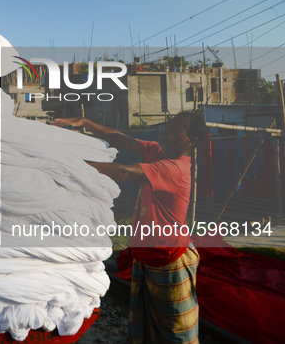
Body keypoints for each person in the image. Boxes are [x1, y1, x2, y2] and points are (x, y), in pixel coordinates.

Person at [53, 112, 208, 344]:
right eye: (167, 127)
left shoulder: (174, 168)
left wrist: (66, 165)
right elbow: (118, 138)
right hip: (147, 256)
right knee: (149, 324)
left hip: (170, 259)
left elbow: (123, 172)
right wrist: (85, 122)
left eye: (175, 130)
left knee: (177, 332)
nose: (165, 131)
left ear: (191, 141)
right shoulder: (157, 151)